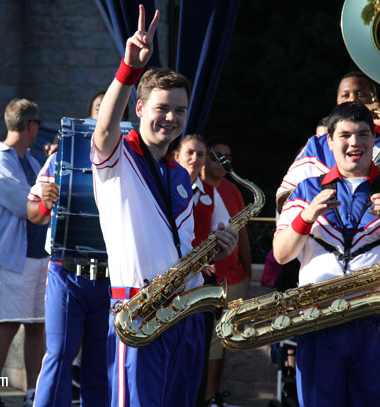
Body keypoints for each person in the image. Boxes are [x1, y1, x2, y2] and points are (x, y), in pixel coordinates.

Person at [91, 5, 238, 406]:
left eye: (180, 110)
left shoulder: (178, 173)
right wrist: (128, 67)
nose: (171, 118)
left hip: (185, 314)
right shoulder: (117, 158)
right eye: (161, 108)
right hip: (139, 311)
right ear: (139, 110)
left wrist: (214, 247)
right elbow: (104, 126)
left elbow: (182, 244)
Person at [273, 101, 380, 407]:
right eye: (345, 135)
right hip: (319, 321)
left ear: (374, 140)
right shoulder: (306, 189)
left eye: (363, 134)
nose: (354, 142)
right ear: (329, 141)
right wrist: (305, 217)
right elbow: (281, 254)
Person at [275, 71, 380, 213]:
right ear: (338, 103)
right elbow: (282, 201)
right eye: (345, 95)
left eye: (361, 94)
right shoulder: (317, 145)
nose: (353, 100)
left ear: (374, 100)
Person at [0, 99, 49, 407]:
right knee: (7, 325)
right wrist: (47, 190)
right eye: (37, 125)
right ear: (31, 126)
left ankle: (33, 392)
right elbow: (29, 204)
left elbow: (45, 196)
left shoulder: (31, 160)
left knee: (37, 326)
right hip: (14, 259)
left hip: (40, 256)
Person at [28, 146, 110, 407]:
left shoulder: (129, 156)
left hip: (110, 276)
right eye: (98, 110)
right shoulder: (63, 155)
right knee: (59, 354)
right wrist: (45, 204)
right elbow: (33, 213)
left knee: (100, 362)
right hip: (67, 271)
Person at [172, 134, 231, 406]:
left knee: (198, 350)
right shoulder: (166, 185)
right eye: (190, 153)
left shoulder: (210, 193)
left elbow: (224, 229)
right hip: (171, 282)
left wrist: (217, 248)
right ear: (177, 157)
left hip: (201, 284)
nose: (196, 159)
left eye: (201, 154)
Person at [200, 135, 252, 407]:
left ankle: (213, 397)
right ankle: (205, 398)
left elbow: (241, 233)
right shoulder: (193, 186)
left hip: (233, 278)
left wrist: (247, 268)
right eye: (215, 155)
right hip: (204, 283)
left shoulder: (233, 190)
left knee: (223, 342)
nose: (221, 162)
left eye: (226, 158)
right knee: (208, 345)